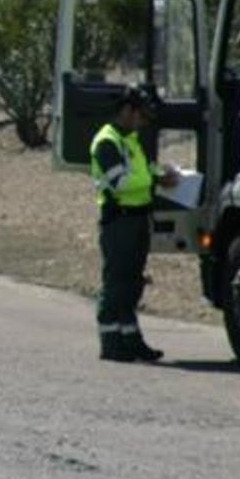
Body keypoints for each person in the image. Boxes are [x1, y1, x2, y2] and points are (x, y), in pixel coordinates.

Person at [90, 86, 177, 363]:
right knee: (116, 282)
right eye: (140, 115)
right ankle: (110, 342)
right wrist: (155, 181)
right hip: (119, 221)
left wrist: (161, 173)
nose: (143, 121)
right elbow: (121, 182)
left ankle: (131, 340)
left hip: (138, 219)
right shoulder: (107, 142)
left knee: (132, 282)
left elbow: (142, 170)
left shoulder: (130, 139)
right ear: (127, 111)